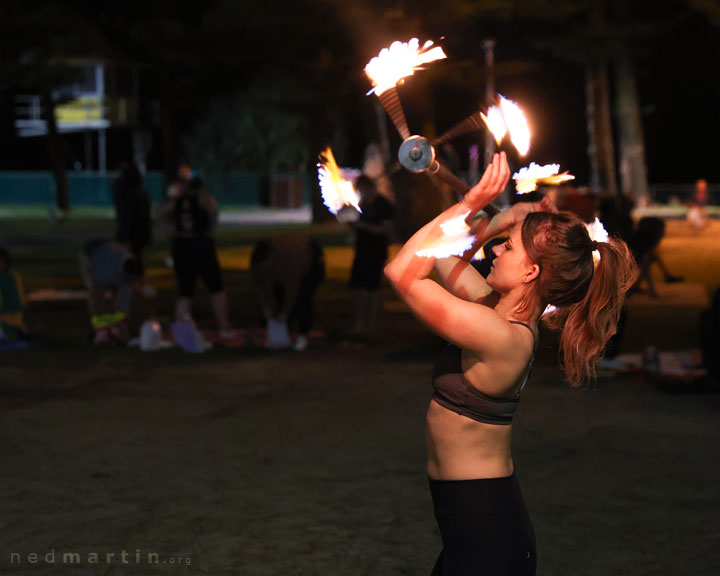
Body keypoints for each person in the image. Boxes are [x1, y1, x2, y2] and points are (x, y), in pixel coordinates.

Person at [384, 153, 638, 575]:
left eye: (509, 247)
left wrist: (472, 204)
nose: (497, 250)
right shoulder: (495, 312)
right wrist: (500, 222)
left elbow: (403, 272)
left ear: (531, 272)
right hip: (474, 526)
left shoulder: (501, 336)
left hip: (487, 536)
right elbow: (439, 256)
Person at [157, 176, 234, 337]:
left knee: (185, 291)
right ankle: (224, 327)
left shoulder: (178, 202)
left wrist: (170, 230)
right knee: (216, 288)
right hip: (201, 244)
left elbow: (160, 211)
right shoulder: (206, 200)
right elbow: (213, 218)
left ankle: (180, 327)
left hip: (181, 245)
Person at [250, 235, 325, 351]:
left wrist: (285, 312)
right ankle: (285, 334)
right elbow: (258, 284)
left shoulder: (286, 259)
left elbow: (292, 289)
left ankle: (303, 335)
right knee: (278, 298)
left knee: (303, 299)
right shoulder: (256, 261)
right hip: (288, 265)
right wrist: (265, 306)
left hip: (311, 258)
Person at [348, 175, 395, 343]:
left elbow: (386, 231)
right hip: (361, 250)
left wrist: (364, 227)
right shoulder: (363, 205)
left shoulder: (383, 205)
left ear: (369, 187)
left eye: (362, 189)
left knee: (373, 288)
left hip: (376, 251)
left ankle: (371, 326)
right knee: (356, 287)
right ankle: (360, 323)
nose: (361, 193)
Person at [78, 239, 144, 344]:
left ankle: (113, 326)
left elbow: (125, 294)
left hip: (108, 256)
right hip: (91, 255)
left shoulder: (131, 263)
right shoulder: (104, 271)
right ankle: (98, 328)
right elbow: (98, 287)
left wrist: (124, 319)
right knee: (96, 293)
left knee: (116, 293)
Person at [112, 162, 153, 274]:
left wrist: (126, 236)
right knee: (135, 258)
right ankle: (137, 283)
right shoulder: (142, 192)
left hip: (132, 233)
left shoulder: (132, 194)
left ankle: (134, 284)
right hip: (139, 233)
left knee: (131, 259)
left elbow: (129, 216)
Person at [0, 247, 28, 341]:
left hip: (11, 314)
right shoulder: (14, 276)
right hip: (9, 315)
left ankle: (12, 333)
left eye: (2, 261)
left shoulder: (13, 277)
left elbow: (20, 296)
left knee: (12, 325)